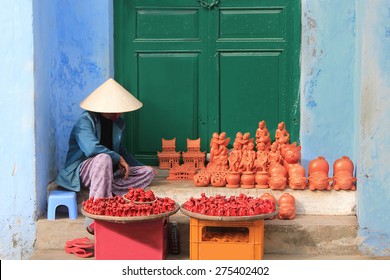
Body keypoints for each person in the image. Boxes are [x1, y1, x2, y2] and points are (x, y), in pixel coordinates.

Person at [55, 78, 156, 234]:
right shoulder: (85, 121)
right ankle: (96, 216)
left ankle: (110, 193)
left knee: (147, 172)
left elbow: (121, 151)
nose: (120, 112)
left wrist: (139, 165)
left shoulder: (118, 123)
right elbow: (91, 149)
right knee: (104, 158)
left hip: (107, 173)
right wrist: (117, 158)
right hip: (84, 170)